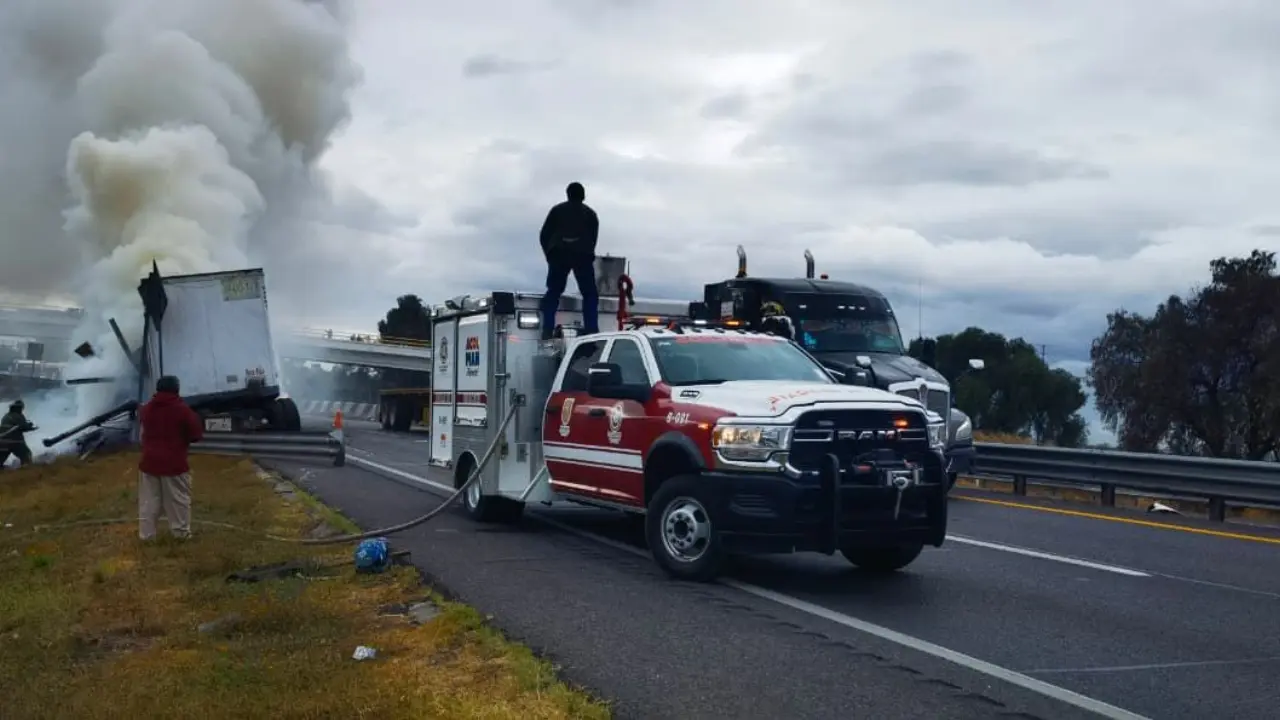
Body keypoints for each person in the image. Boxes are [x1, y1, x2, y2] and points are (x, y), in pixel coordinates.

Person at [137, 375, 204, 540]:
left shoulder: (146, 409)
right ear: (177, 389)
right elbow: (196, 434)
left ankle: (147, 536)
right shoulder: (182, 409)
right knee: (178, 500)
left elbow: (142, 434)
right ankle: (180, 534)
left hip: (149, 463)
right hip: (174, 464)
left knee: (149, 502)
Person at [539, 181, 600, 340]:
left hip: (559, 254)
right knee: (590, 294)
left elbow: (544, 235)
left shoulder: (557, 211)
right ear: (583, 196)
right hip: (582, 255)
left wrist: (550, 255)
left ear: (568, 194)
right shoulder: (591, 214)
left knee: (553, 292)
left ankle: (547, 329)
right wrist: (586, 251)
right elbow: (594, 238)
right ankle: (592, 330)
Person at [0, 399, 37, 468]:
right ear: (18, 408)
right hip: (16, 442)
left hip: (2, 442)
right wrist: (31, 427)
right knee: (26, 455)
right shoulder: (18, 416)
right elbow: (23, 427)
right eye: (20, 408)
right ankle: (26, 471)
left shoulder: (5, 417)